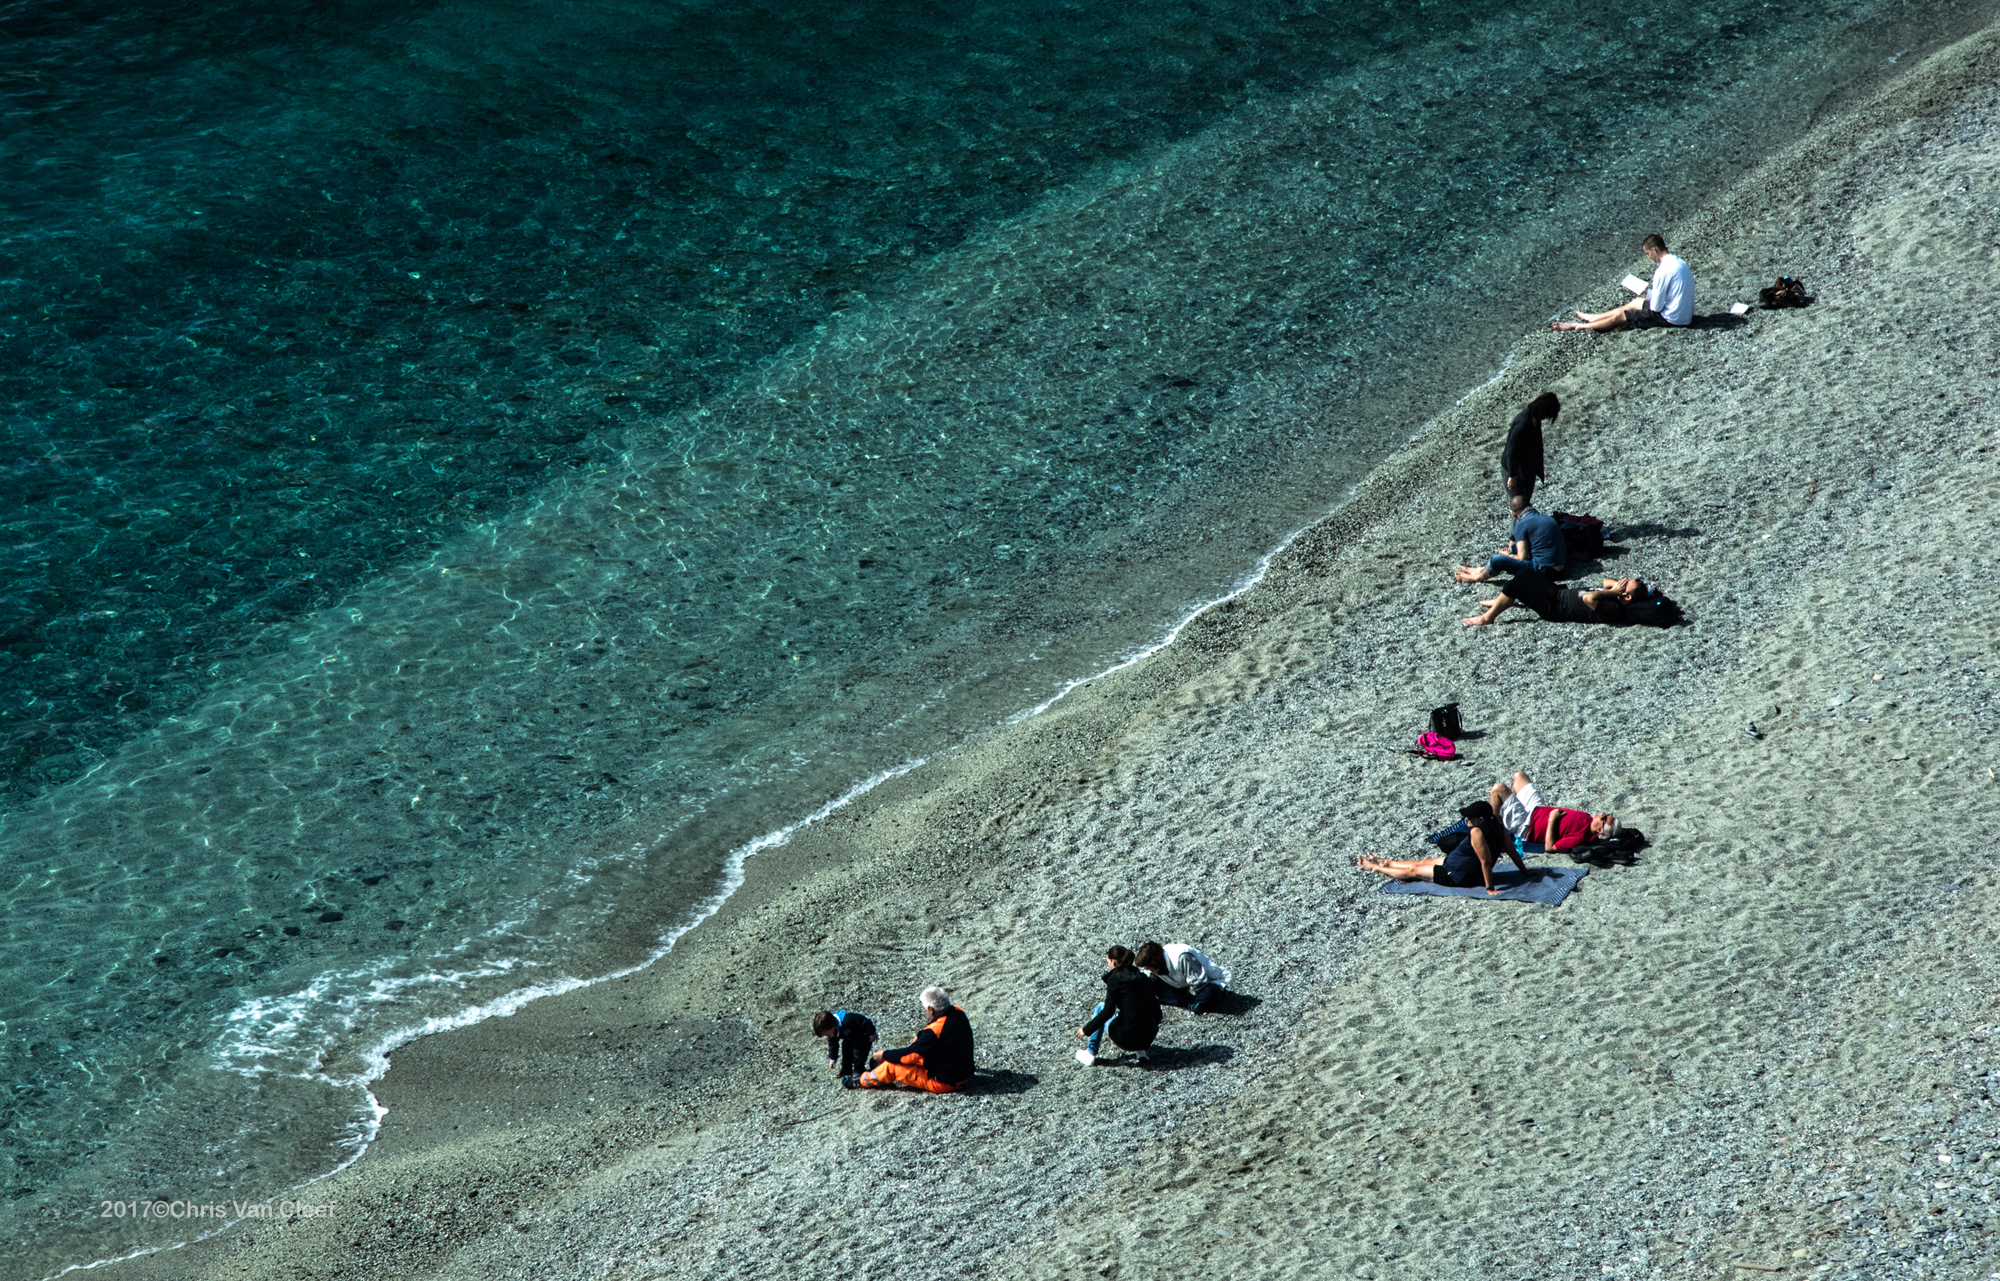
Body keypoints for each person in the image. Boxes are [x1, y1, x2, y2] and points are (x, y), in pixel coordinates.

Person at [1356, 800, 1528, 896]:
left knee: (1414, 871)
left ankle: (1375, 867)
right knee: (1424, 861)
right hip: (1459, 862)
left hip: (1459, 874)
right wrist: (1525, 872)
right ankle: (1387, 862)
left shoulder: (1477, 832)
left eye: (1469, 817)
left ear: (1481, 819)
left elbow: (1486, 862)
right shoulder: (1496, 824)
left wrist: (1490, 889)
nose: (1466, 819)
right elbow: (1511, 850)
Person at [1552, 234, 1694, 331]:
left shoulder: (1663, 270)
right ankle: (1595, 317)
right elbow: (1671, 295)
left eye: (1647, 254)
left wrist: (1653, 296)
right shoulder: (1678, 262)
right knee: (1637, 301)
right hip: (1683, 314)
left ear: (1654, 249)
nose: (1648, 258)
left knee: (1622, 316)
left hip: (1673, 319)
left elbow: (1656, 309)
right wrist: (1646, 292)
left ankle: (1578, 326)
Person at [853, 987, 974, 1093]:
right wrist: (921, 1035)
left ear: (931, 1009)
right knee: (918, 1055)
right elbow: (936, 1033)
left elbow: (909, 1056)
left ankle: (861, 1080)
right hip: (965, 1076)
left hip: (944, 1083)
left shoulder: (933, 1031)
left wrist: (885, 1054)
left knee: (891, 1067)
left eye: (925, 1009)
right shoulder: (958, 1012)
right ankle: (879, 1067)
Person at [1463, 574, 1679, 628]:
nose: (1622, 583)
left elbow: (1589, 597)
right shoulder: (1618, 597)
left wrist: (1613, 593)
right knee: (1530, 574)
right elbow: (1605, 582)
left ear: (1626, 597)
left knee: (1518, 582)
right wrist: (1617, 588)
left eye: (1626, 584)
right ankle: (1504, 601)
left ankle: (1487, 618)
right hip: (1558, 593)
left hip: (1554, 607)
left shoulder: (1613, 608)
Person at [1489, 769, 1620, 852]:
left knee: (1498, 789)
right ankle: (1505, 813)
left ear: (1599, 831)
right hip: (1537, 809)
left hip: (1526, 826)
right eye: (1608, 814)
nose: (1602, 814)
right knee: (1519, 776)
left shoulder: (1580, 838)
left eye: (1604, 818)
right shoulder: (1587, 817)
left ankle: (1493, 832)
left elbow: (1550, 848)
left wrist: (1552, 819)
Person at [1075, 945, 1162, 1066]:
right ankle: (1141, 1052)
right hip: (1148, 1037)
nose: (1108, 965)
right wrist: (1151, 1028)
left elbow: (1108, 1012)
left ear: (1113, 961)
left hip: (1125, 1038)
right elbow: (1157, 1011)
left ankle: (1090, 1053)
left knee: (1101, 1007)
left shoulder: (1115, 980)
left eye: (1108, 962)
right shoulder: (1144, 978)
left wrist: (1086, 1030)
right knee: (1137, 1013)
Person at [1454, 494, 1566, 583]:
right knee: (1513, 548)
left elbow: (1522, 558)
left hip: (1545, 571)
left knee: (1497, 560)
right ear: (1530, 505)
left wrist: (1508, 556)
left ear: (1513, 514)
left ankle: (1476, 578)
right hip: (1561, 567)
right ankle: (1480, 570)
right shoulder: (1546, 518)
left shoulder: (1521, 524)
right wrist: (1511, 552)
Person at [1135, 941, 1231, 1014]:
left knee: (1210, 992)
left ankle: (1189, 1002)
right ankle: (1191, 1004)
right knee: (1153, 986)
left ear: (1154, 962)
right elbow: (1149, 979)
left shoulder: (1182, 957)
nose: (1147, 969)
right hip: (1182, 984)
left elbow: (1199, 982)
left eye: (1148, 966)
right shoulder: (1158, 964)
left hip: (1207, 982)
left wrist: (1189, 991)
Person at [1501, 392, 1559, 505]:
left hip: (1526, 469)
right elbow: (1511, 449)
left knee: (1525, 504)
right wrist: (1512, 476)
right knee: (1520, 507)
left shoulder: (1535, 420)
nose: (1547, 418)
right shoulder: (1523, 423)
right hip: (1514, 470)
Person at [810, 1008, 878, 1080]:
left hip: (863, 1036)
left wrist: (872, 1034)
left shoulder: (848, 1020)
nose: (828, 1035)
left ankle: (858, 1070)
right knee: (846, 1050)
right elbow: (833, 1044)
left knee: (858, 1053)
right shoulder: (833, 1032)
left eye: (827, 1033)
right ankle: (846, 1070)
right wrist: (833, 1058)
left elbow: (865, 1021)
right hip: (850, 1037)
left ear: (832, 1026)